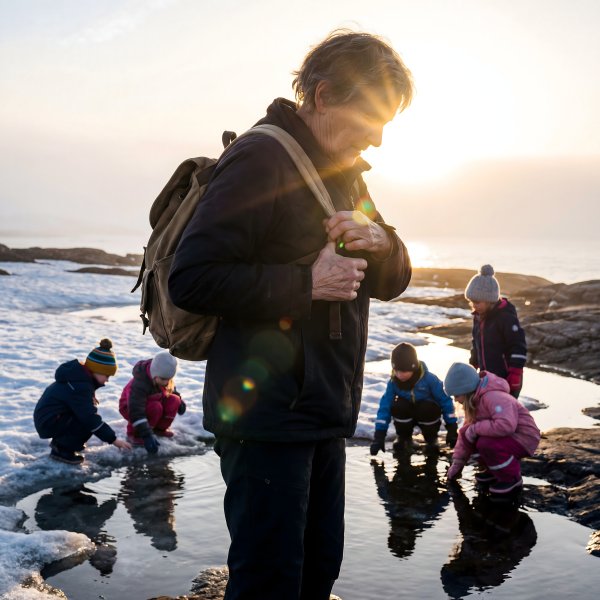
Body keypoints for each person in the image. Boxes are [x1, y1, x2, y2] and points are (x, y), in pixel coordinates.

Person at [168, 29, 413, 600]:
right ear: (323, 96)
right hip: (265, 418)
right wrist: (307, 283)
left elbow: (395, 280)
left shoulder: (345, 171)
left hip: (324, 410)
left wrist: (380, 240)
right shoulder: (261, 159)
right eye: (372, 117)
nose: (377, 139)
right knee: (269, 583)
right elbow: (192, 277)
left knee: (318, 570)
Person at [444, 362, 540, 496]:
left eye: (457, 395)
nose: (456, 400)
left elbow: (506, 425)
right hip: (508, 438)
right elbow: (465, 434)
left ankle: (511, 479)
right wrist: (457, 463)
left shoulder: (494, 397)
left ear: (466, 390)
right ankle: (494, 471)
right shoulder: (474, 403)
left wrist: (475, 428)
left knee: (485, 443)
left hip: (523, 437)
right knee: (472, 438)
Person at [34, 338, 132, 464]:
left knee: (85, 418)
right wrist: (113, 440)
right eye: (107, 375)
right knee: (87, 421)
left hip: (51, 419)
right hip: (48, 422)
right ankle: (62, 451)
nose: (107, 380)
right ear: (96, 371)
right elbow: (89, 418)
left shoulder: (78, 380)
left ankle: (62, 444)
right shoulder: (79, 386)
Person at [370, 342, 458, 455]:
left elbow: (446, 401)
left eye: (403, 371)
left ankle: (431, 440)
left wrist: (452, 429)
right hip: (406, 415)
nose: (399, 375)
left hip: (427, 414)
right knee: (398, 405)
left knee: (428, 407)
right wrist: (379, 436)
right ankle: (404, 438)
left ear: (413, 367)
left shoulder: (430, 379)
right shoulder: (393, 382)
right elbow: (385, 407)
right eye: (396, 371)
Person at [465, 264, 527, 398]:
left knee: (505, 411)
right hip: (487, 376)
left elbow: (518, 345)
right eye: (471, 302)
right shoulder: (478, 316)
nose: (474, 306)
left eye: (477, 302)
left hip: (507, 377)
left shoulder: (505, 317)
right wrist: (473, 364)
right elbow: (476, 343)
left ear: (489, 300)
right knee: (486, 408)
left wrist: (515, 373)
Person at [118, 350, 186, 454]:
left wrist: (180, 402)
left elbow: (172, 391)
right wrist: (146, 435)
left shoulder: (163, 378)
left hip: (152, 402)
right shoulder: (140, 383)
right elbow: (135, 410)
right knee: (155, 407)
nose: (166, 382)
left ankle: (158, 429)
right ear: (155, 374)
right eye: (164, 379)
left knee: (174, 400)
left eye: (169, 379)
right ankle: (135, 434)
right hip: (130, 407)